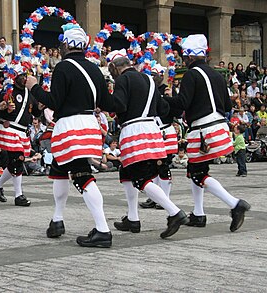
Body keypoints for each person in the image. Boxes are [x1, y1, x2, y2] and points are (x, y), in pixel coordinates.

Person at [26, 24, 113, 247]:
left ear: (66, 45)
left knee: (81, 175)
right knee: (59, 169)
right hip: (88, 124)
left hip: (70, 126)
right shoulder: (94, 68)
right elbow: (105, 102)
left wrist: (34, 88)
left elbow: (54, 101)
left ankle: (103, 229)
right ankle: (57, 220)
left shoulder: (63, 67)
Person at [163, 34, 250, 231]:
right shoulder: (217, 75)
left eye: (185, 57)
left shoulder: (191, 75)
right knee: (197, 170)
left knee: (197, 173)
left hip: (202, 129)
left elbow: (182, 104)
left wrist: (163, 100)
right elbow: (227, 105)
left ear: (191, 57)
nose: (184, 60)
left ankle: (235, 204)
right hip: (218, 126)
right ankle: (199, 213)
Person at [106, 52, 188, 239]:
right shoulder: (150, 81)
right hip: (152, 129)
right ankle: (132, 218)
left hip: (134, 131)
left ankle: (174, 212)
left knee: (140, 178)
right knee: (127, 173)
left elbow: (119, 105)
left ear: (116, 68)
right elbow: (164, 108)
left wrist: (107, 101)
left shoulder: (122, 80)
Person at [0, 63, 43, 207]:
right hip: (10, 129)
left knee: (16, 161)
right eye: (21, 76)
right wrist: (5, 109)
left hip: (22, 131)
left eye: (25, 76)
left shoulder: (29, 93)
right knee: (18, 159)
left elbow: (36, 113)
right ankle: (18, 195)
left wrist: (41, 107)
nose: (24, 79)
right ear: (15, 77)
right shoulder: (8, 90)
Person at [140, 63, 179, 210]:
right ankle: (154, 197)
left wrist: (167, 97)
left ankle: (165, 198)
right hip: (154, 132)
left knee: (163, 166)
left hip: (165, 132)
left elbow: (174, 110)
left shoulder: (166, 91)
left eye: (155, 75)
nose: (153, 78)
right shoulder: (150, 90)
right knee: (152, 167)